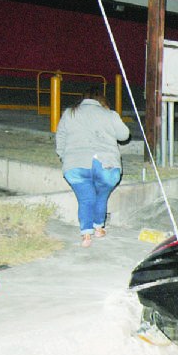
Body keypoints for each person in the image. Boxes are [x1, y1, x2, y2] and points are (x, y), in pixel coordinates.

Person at [55, 87, 130, 247]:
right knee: (101, 196)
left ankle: (86, 235)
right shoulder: (109, 114)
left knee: (85, 199)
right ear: (101, 101)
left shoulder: (69, 113)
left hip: (75, 164)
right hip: (106, 165)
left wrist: (64, 156)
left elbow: (60, 136)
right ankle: (98, 228)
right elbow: (124, 135)